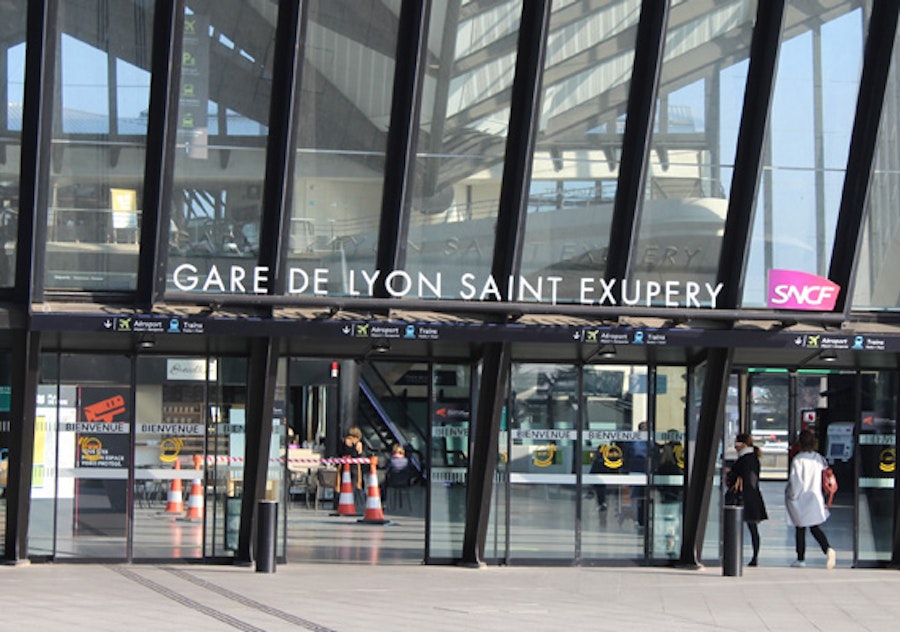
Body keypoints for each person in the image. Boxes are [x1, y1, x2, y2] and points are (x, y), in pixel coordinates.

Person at [785, 429, 836, 569]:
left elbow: (796, 482)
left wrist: (791, 496)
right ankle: (827, 549)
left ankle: (800, 559)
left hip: (801, 497)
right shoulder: (819, 458)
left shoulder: (798, 460)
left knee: (800, 528)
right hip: (816, 497)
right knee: (814, 527)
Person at [725, 433, 768, 566]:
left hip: (742, 496)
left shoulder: (745, 459)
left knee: (734, 526)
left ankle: (735, 555)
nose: (735, 446)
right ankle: (755, 556)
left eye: (736, 443)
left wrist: (729, 472)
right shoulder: (752, 457)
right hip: (752, 497)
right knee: (752, 528)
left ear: (743, 444)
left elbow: (740, 476)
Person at [335, 426, 366, 512]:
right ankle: (353, 503)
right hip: (354, 466)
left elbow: (339, 453)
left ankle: (340, 503)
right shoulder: (358, 443)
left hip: (343, 466)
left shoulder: (342, 441)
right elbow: (359, 454)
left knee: (342, 485)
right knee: (354, 485)